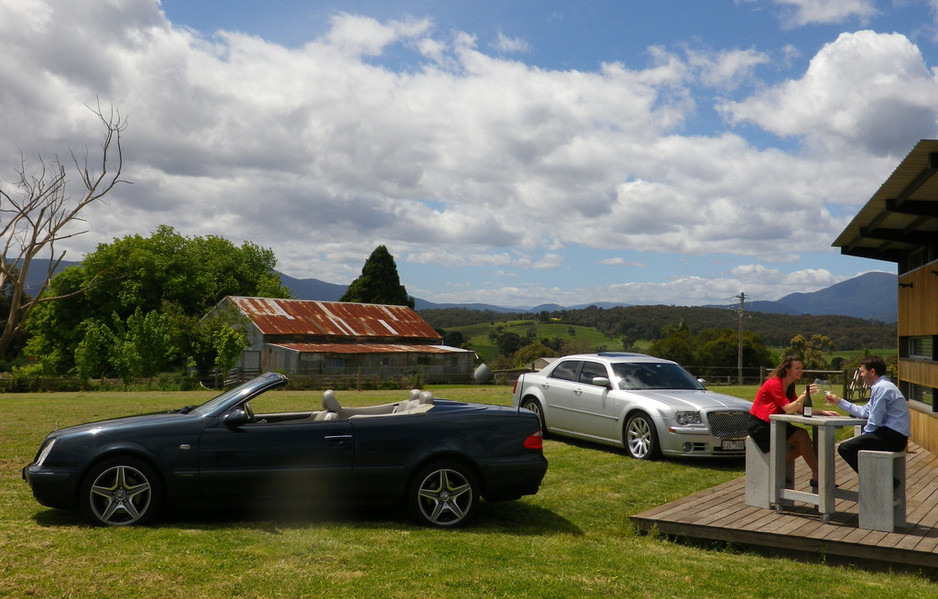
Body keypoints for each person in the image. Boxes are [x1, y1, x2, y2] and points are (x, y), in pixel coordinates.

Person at [748, 355, 837, 488]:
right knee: (803, 438)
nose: (801, 371)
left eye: (801, 368)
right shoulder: (774, 383)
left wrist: (822, 412)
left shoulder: (789, 385)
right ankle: (817, 476)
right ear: (787, 369)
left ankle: (816, 476)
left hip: (777, 422)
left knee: (804, 439)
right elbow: (789, 409)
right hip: (762, 425)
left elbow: (799, 409)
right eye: (797, 368)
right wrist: (804, 394)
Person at [824, 355, 910, 474]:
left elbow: (875, 420)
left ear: (872, 372)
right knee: (850, 447)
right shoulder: (882, 386)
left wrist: (863, 437)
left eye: (862, 371)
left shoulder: (882, 388)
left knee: (845, 448)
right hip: (893, 436)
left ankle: (879, 480)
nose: (860, 375)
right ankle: (880, 479)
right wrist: (839, 401)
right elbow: (865, 411)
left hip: (893, 438)